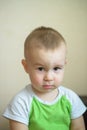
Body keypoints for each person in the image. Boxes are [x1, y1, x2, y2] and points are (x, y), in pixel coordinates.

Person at [3, 26, 86, 130]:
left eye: (56, 68)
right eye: (41, 69)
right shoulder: (21, 102)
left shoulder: (71, 98)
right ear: (26, 66)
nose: (49, 77)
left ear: (64, 64)